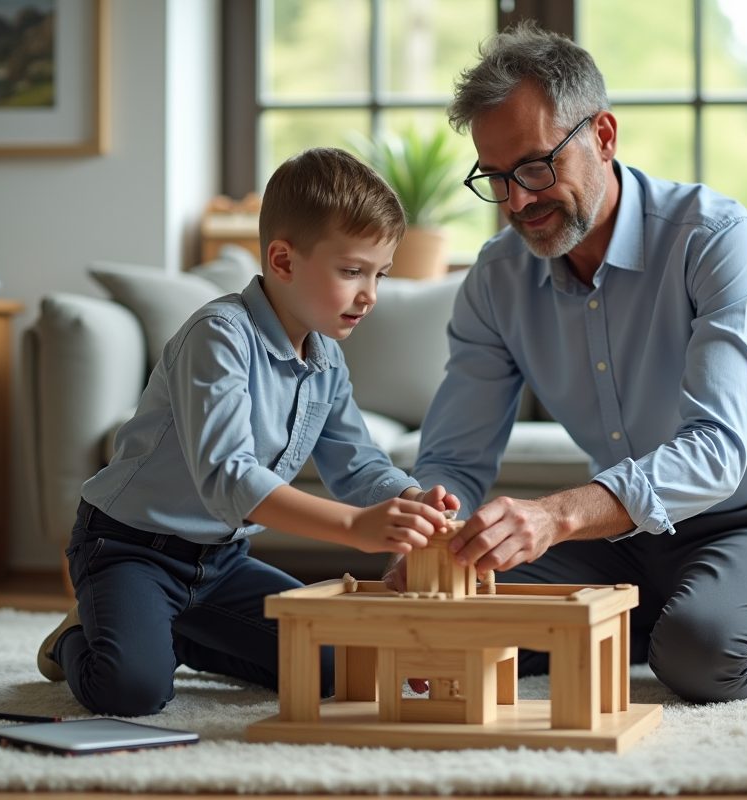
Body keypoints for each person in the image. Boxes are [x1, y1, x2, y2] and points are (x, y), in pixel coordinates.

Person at [387, 23, 747, 704]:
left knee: (698, 657)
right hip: (624, 538)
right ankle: (648, 616)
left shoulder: (717, 241)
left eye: (535, 168)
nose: (517, 202)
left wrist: (557, 516)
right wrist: (430, 539)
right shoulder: (496, 278)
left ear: (602, 136)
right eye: (497, 178)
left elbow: (716, 453)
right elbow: (455, 454)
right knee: (437, 623)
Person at [37, 148, 457, 717]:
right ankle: (75, 637)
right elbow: (228, 478)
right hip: (130, 549)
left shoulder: (326, 360)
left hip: (220, 561)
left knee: (335, 667)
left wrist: (409, 500)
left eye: (379, 274)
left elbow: (357, 465)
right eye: (352, 271)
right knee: (132, 690)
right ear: (282, 261)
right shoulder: (219, 336)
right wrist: (356, 527)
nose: (370, 295)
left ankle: (171, 635)